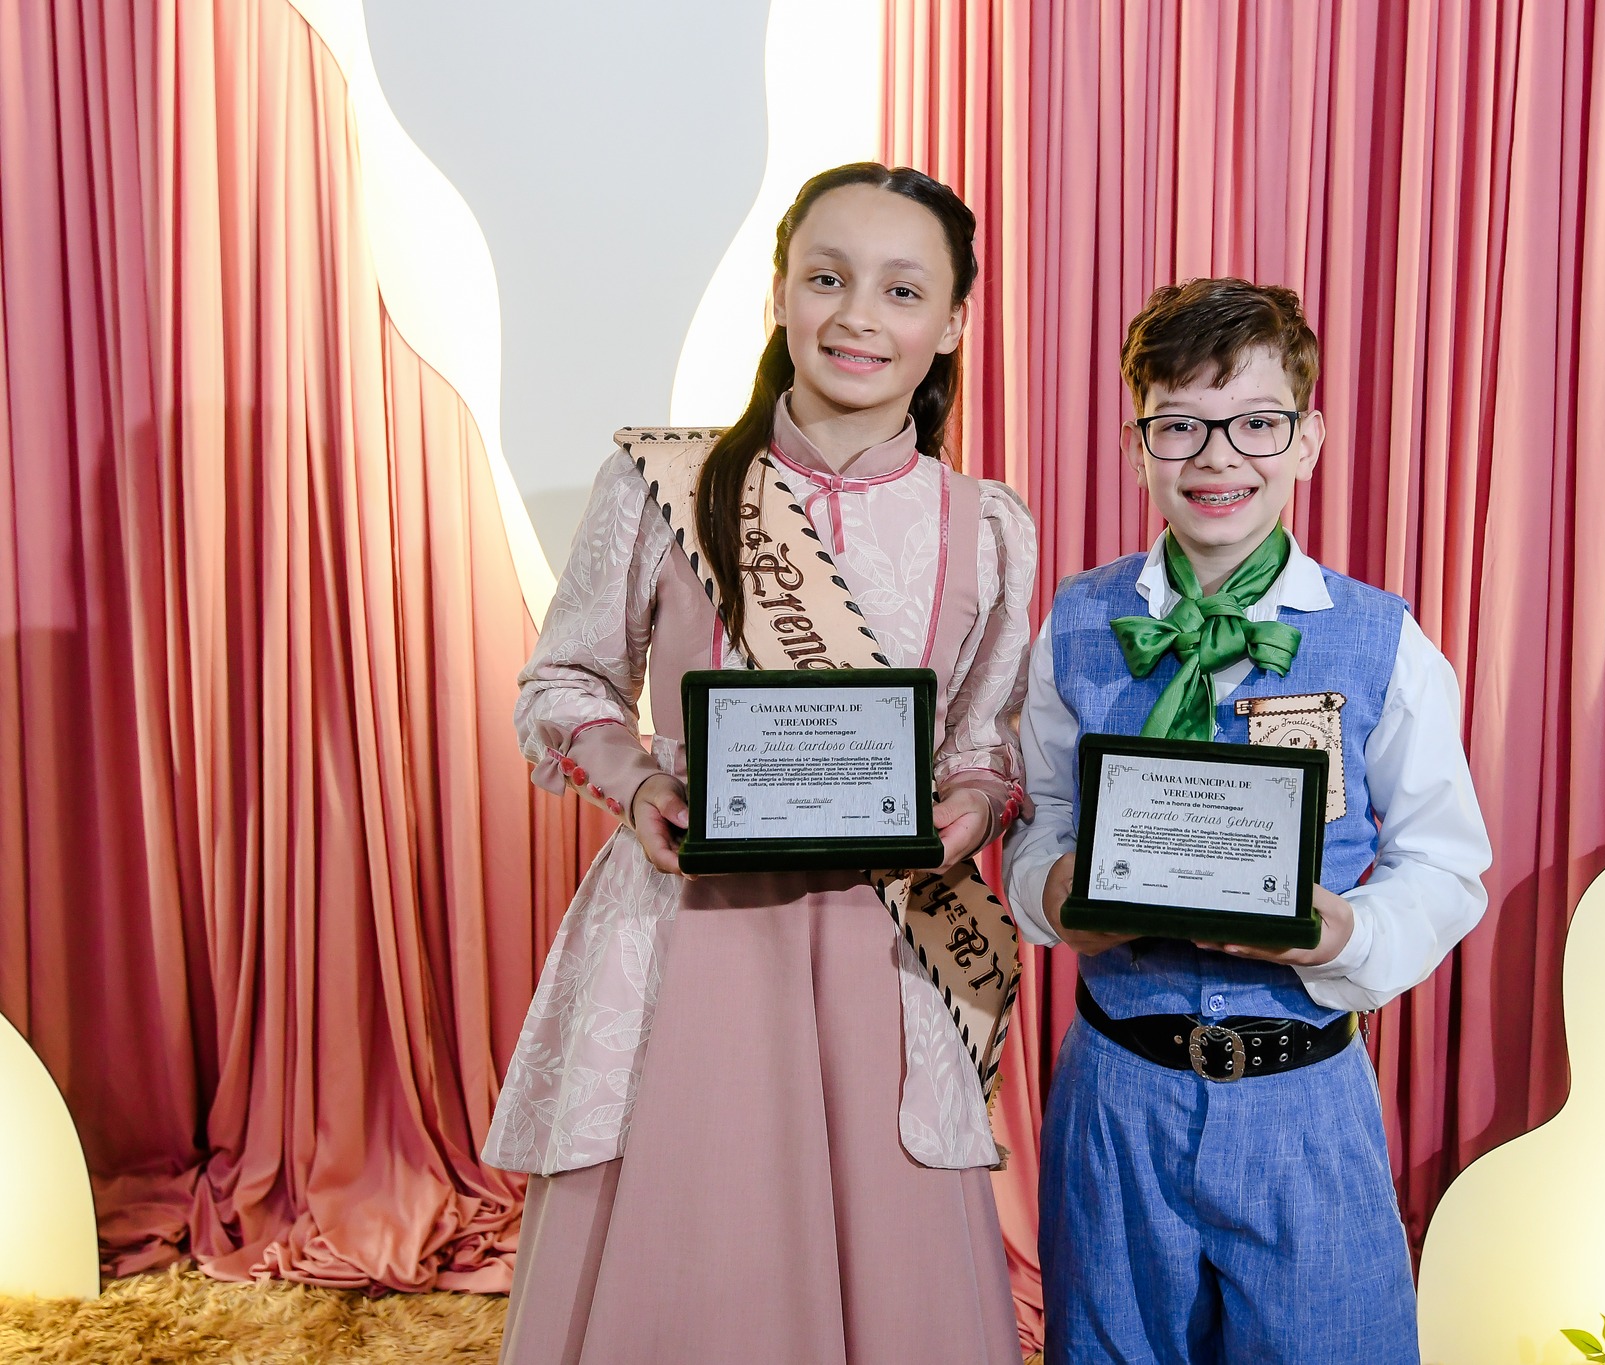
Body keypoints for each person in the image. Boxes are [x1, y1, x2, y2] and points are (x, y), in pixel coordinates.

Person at [486, 163, 1035, 1364]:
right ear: (780, 292)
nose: (857, 317)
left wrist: (966, 809)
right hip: (688, 927)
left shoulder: (985, 525)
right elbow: (564, 682)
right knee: (692, 1241)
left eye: (902, 291)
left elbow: (985, 742)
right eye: (826, 279)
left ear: (950, 325)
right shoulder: (663, 483)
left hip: (885, 937)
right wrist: (637, 784)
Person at [1003, 278, 1492, 1364]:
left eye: (1256, 423)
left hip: (1304, 1096)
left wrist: (1339, 932)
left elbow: (1444, 864)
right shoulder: (1075, 623)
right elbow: (1039, 823)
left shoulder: (1382, 639)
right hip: (1117, 1098)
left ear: (1306, 439)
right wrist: (1059, 895)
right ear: (1136, 447)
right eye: (1177, 425)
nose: (1216, 456)